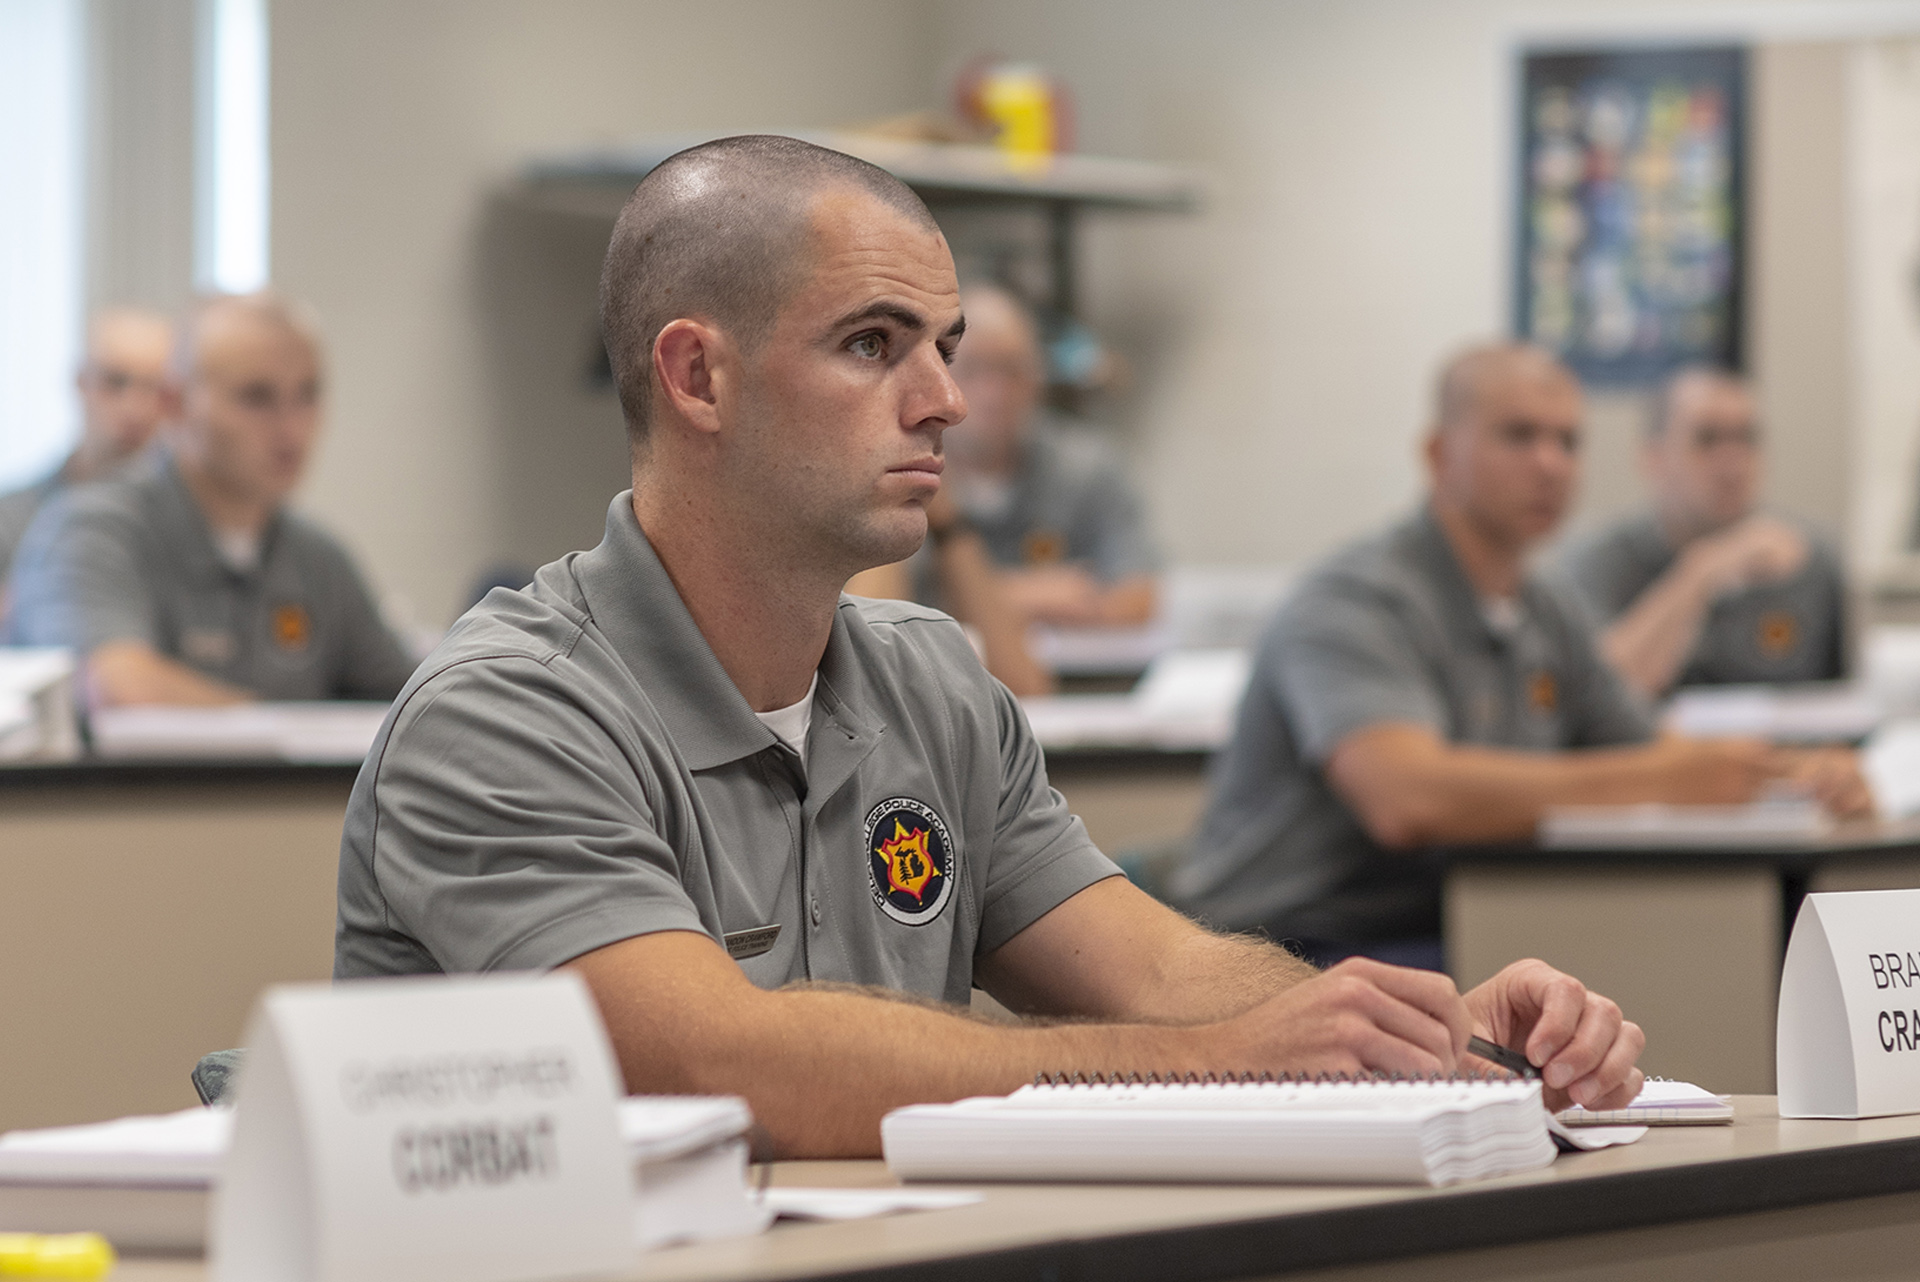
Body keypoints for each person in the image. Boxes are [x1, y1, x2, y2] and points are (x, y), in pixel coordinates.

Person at [336, 138, 1646, 1159]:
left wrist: (1417, 1031)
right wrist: (1227, 1057)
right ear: (697, 379)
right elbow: (712, 1060)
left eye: (946, 348)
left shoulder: (929, 681)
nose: (946, 399)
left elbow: (1160, 969)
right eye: (873, 344)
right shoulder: (509, 707)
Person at [1171, 345, 1870, 971]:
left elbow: (1654, 752)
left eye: (1568, 441)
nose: (1550, 464)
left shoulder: (1544, 604)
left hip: (1454, 931)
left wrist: (1794, 777)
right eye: (1519, 436)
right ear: (1439, 454)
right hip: (1280, 952)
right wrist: (1671, 776)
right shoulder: (1355, 600)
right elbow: (1406, 799)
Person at [5, 293, 415, 706]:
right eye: (257, 397)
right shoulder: (89, 530)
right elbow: (117, 687)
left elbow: (409, 703)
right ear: (176, 404)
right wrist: (285, 732)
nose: (291, 430)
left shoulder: (318, 560)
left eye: (307, 395)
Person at [847, 283, 1159, 693]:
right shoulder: (894, 471)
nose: (994, 393)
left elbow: (1138, 598)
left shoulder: (1083, 468)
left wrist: (966, 593)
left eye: (1012, 371)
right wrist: (1030, 594)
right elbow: (870, 635)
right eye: (974, 370)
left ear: (1038, 379)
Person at [1561, 366, 1847, 699]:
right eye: (1706, 439)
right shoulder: (1595, 565)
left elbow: (1844, 700)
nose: (1731, 461)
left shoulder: (1809, 563)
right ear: (1653, 458)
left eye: (1746, 439)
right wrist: (1702, 573)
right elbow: (1598, 698)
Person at [0, 307, 175, 583]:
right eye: (115, 382)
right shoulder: (10, 522)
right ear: (81, 382)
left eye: (154, 388)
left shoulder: (191, 527)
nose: (135, 407)